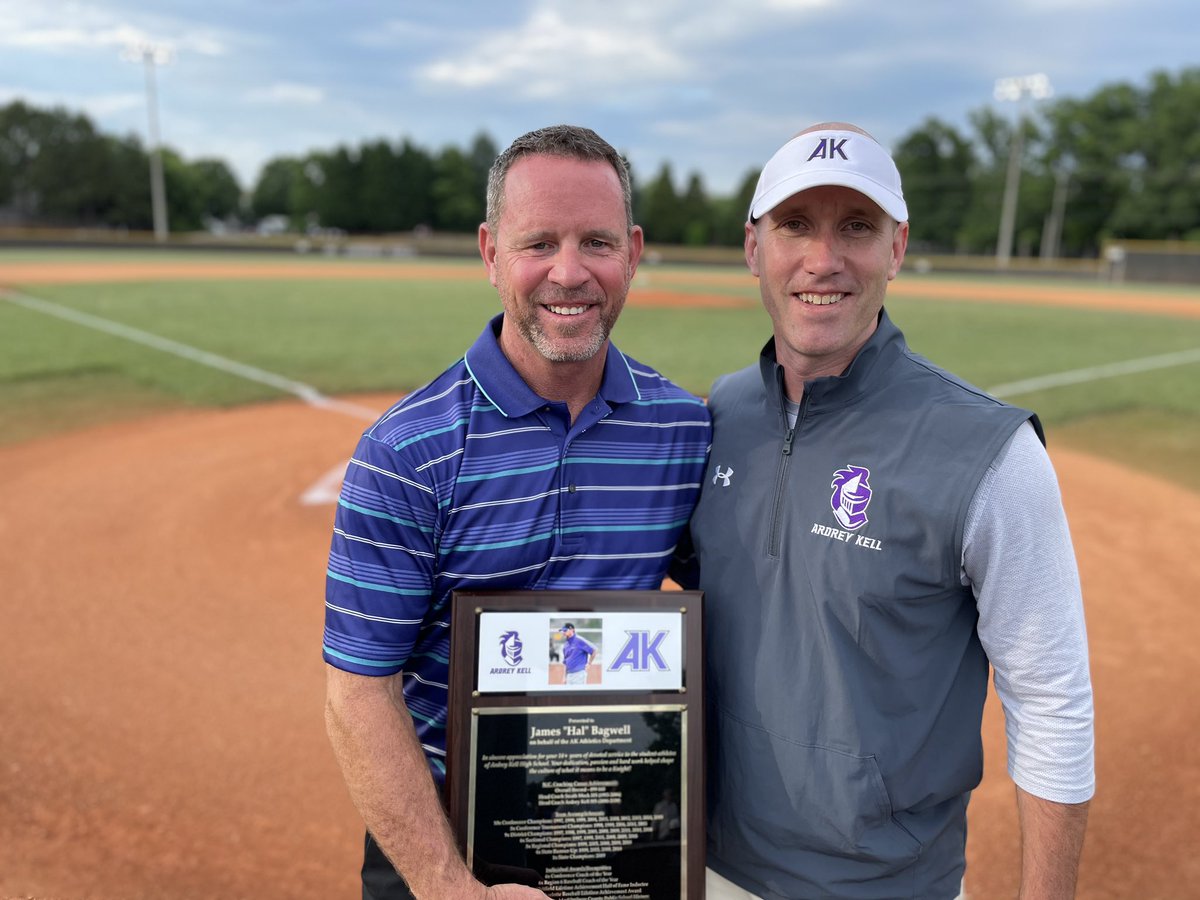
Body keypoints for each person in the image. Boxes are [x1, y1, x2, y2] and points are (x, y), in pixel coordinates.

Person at [681, 123, 1095, 899]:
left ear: (897, 248)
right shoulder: (719, 415)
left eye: (857, 228)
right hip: (706, 866)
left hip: (888, 885)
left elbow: (1051, 698)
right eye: (796, 225)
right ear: (753, 248)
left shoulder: (991, 453)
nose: (823, 259)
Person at [322, 124, 712, 900]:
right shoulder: (406, 450)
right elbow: (358, 690)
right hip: (443, 830)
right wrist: (448, 886)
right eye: (539, 243)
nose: (569, 273)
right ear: (490, 250)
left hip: (620, 818)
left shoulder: (683, 430)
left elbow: (745, 602)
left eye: (596, 242)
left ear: (633, 251)